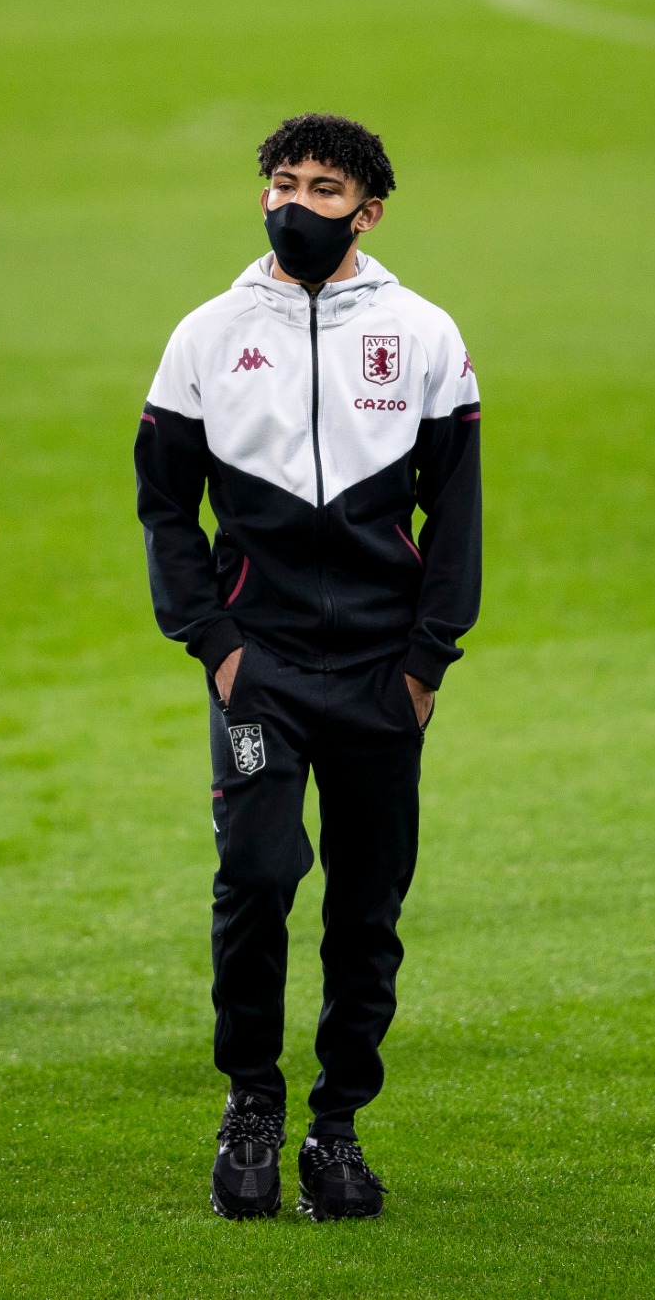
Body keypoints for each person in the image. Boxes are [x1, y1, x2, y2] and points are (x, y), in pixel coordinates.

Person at [135, 113, 481, 1220]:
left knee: (367, 907)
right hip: (260, 670)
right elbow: (162, 504)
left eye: (323, 189)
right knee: (262, 873)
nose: (296, 204)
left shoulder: (424, 334)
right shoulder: (204, 334)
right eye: (281, 182)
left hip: (385, 676)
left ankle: (336, 1127)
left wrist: (427, 662)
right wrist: (215, 644)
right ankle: (250, 1102)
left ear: (367, 213)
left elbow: (458, 513)